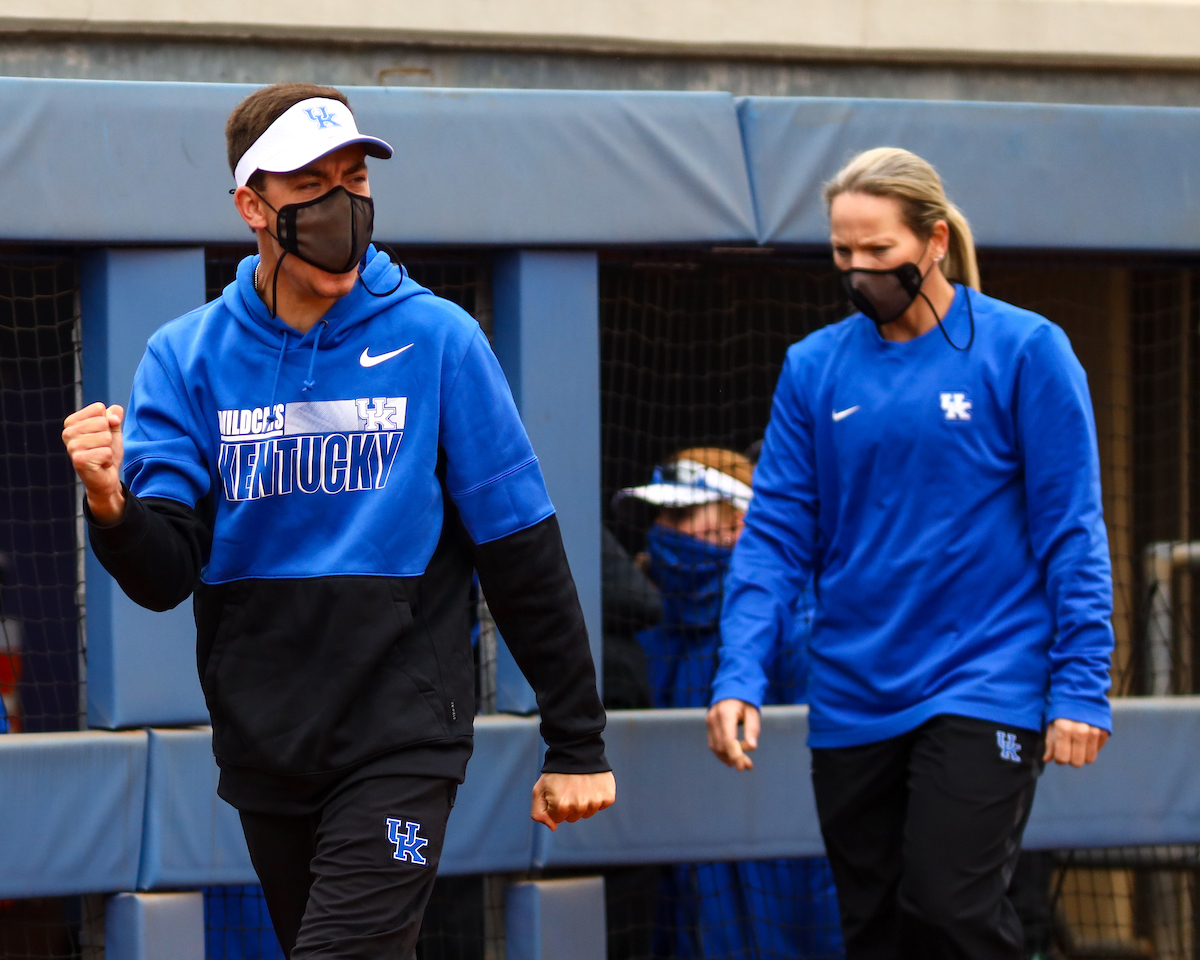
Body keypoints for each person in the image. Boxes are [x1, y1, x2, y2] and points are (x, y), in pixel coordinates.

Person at [61, 82, 615, 960]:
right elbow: (166, 576)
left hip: (402, 737)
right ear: (252, 206)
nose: (342, 206)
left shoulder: (440, 339)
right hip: (266, 745)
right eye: (309, 187)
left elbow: (521, 550)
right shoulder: (184, 355)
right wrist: (110, 504)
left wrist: (576, 741)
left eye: (354, 180)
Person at [707, 146, 1113, 960]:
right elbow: (777, 536)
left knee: (950, 907)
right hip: (854, 692)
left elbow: (1072, 527)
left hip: (984, 681)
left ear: (932, 242)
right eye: (841, 253)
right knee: (878, 930)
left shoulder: (1026, 351)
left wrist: (1081, 684)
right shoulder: (814, 367)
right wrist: (740, 672)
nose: (859, 271)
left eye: (878, 252)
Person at [616, 448, 842, 959]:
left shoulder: (800, 614)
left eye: (679, 516)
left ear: (738, 525)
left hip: (792, 863)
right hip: (694, 863)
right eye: (659, 517)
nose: (662, 530)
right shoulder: (655, 624)